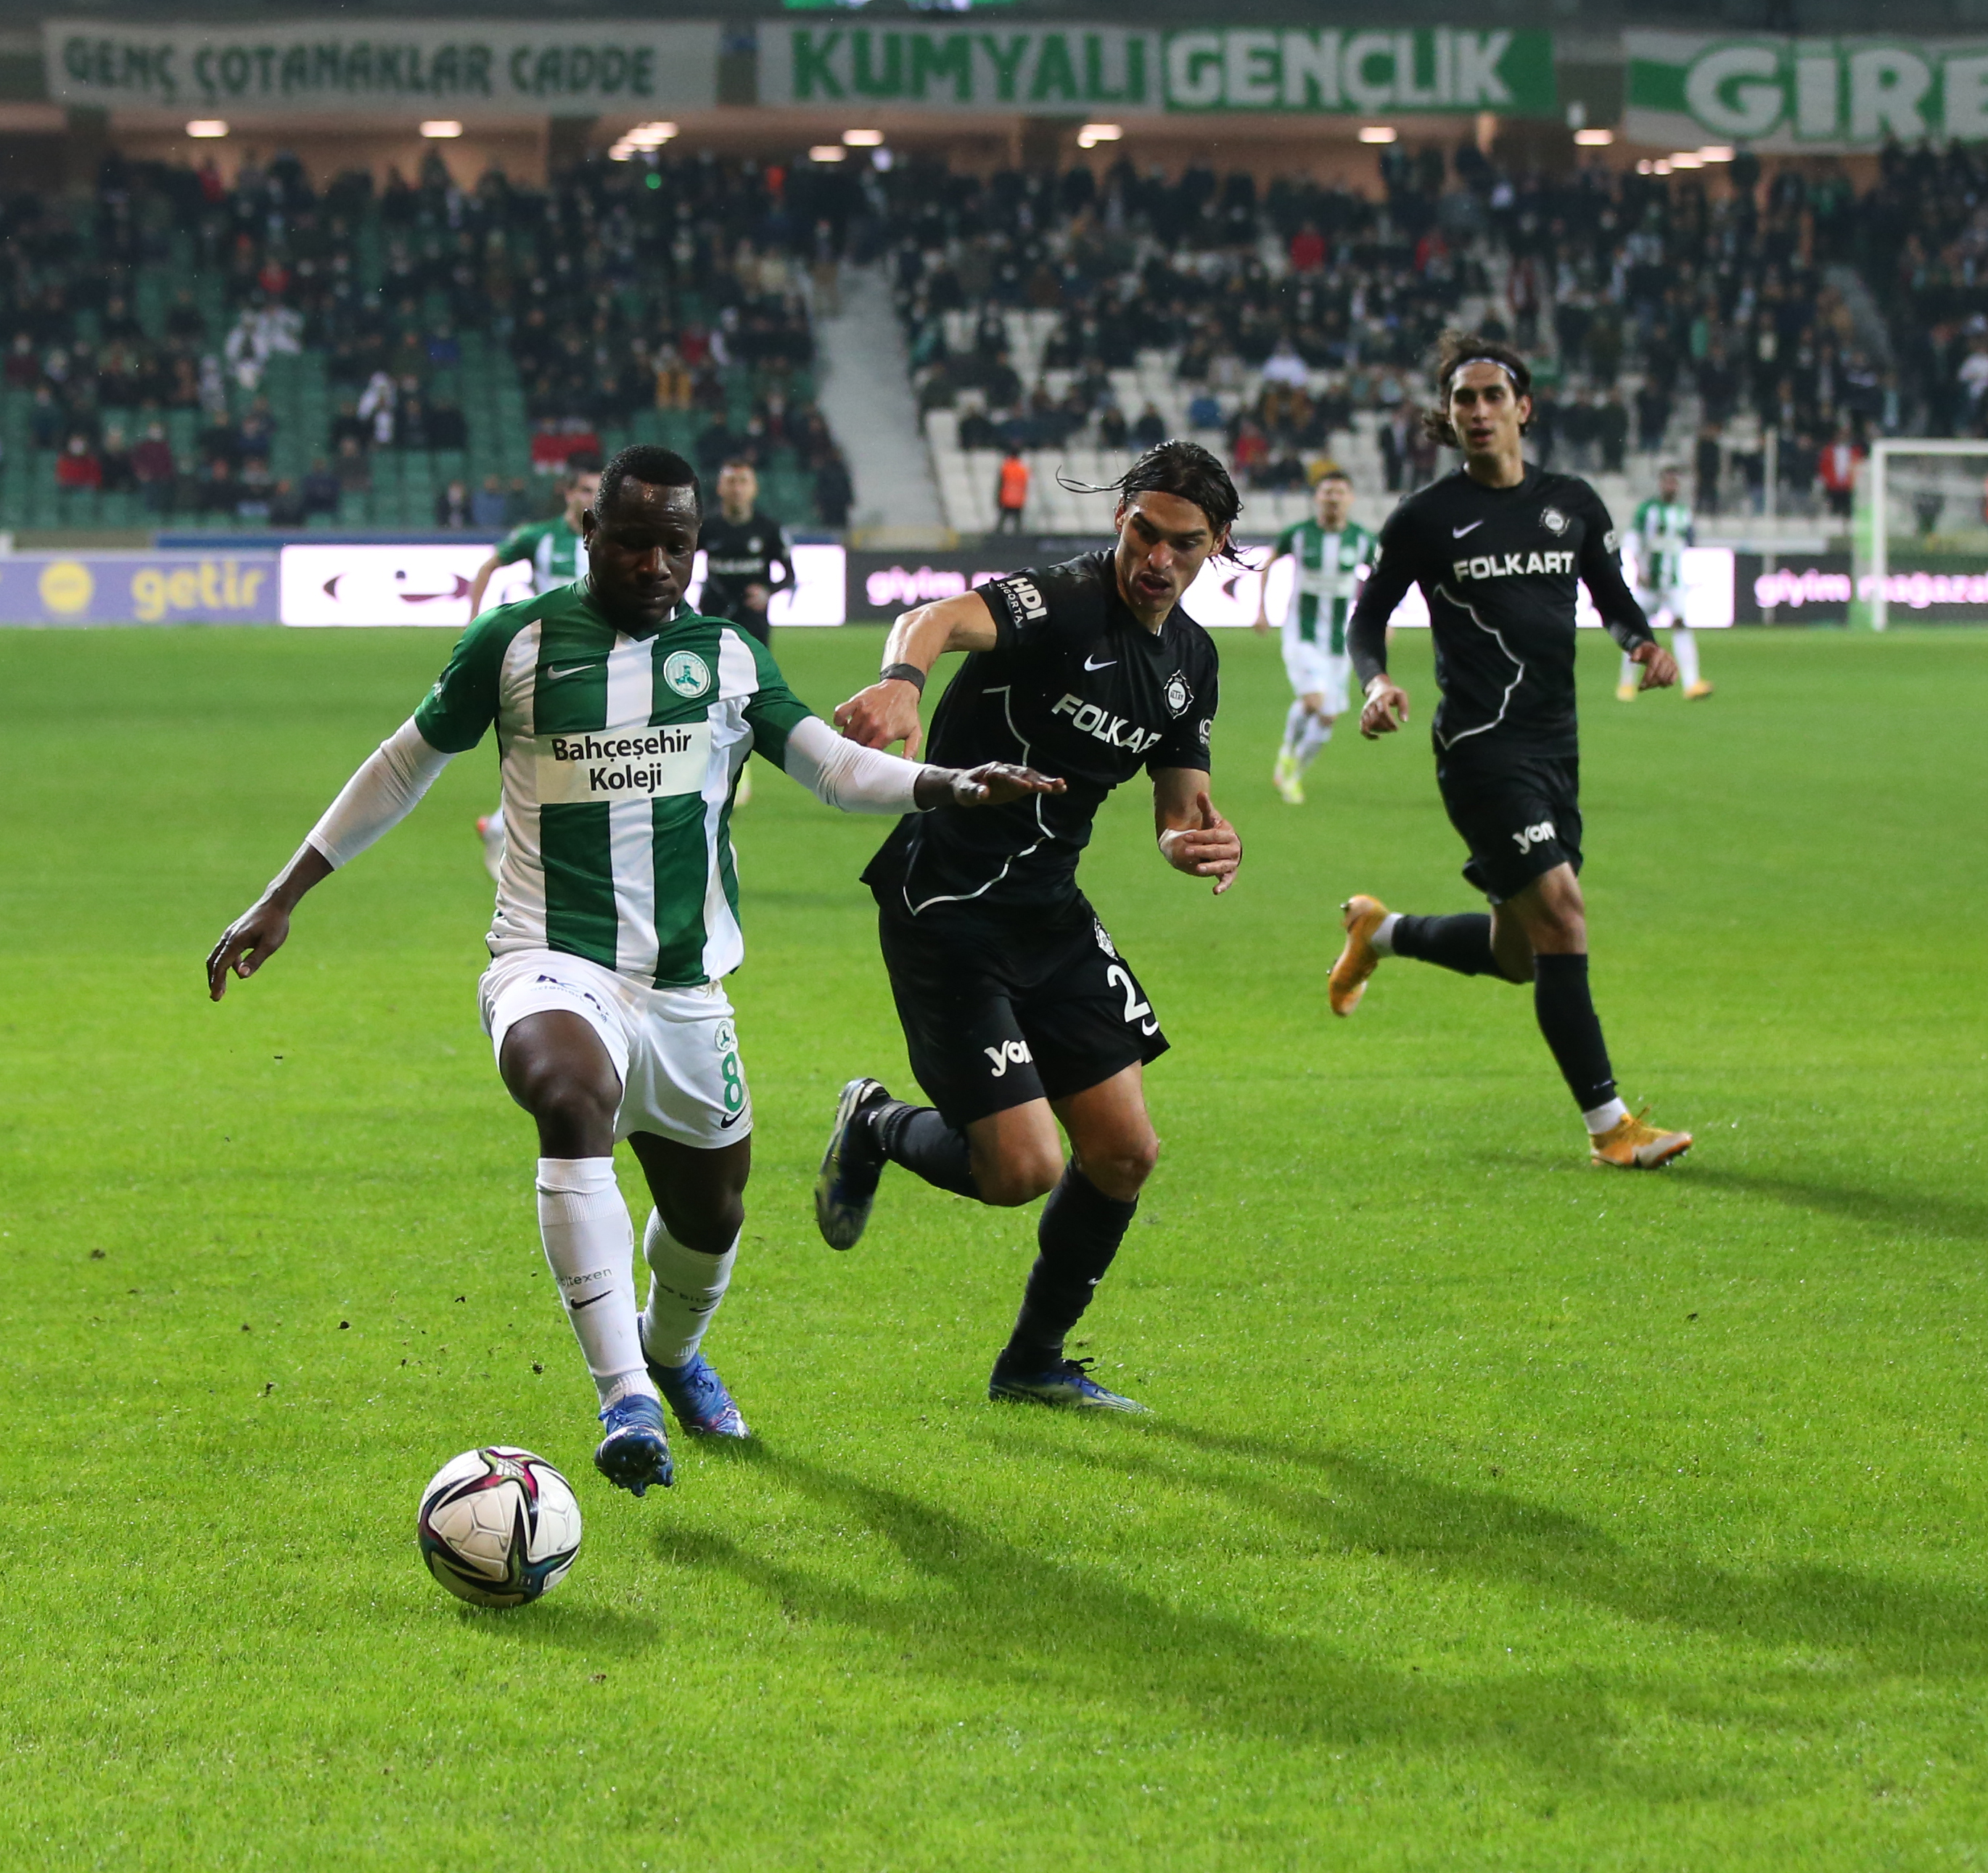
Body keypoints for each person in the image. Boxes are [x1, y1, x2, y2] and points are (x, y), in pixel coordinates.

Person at [206, 445, 1059, 1499]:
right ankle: (626, 1399)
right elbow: (400, 766)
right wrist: (283, 893)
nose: (656, 565)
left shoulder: (728, 657)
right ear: (590, 535)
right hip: (549, 959)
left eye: (676, 546)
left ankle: (669, 1350)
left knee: (710, 1218)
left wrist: (949, 783)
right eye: (634, 542)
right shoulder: (515, 642)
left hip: (686, 989)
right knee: (571, 1097)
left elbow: (833, 768)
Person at [813, 440, 1244, 1414]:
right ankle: (875, 1121)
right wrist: (901, 682)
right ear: (1120, 519)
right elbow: (931, 617)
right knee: (1022, 1168)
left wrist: (1194, 843)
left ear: (1215, 545)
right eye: (1143, 532)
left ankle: (1034, 1363)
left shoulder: (1192, 662)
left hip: (1050, 913)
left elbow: (1180, 806)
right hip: (948, 908)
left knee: (1125, 1151)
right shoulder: (1063, 600)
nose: (1157, 559)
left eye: (1183, 543)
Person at [1328, 332, 1693, 1172]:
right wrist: (1376, 682)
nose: (1479, 409)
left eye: (1493, 395)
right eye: (1464, 398)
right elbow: (1365, 617)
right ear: (1449, 415)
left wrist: (1641, 643)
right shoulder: (1425, 518)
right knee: (1563, 914)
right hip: (1480, 750)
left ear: (1522, 408)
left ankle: (1380, 932)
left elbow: (1613, 598)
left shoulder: (1572, 504)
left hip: (1555, 748)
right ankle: (1610, 1127)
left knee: (1519, 954)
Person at [467, 456, 602, 879]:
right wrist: (473, 622)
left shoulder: (610, 539)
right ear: (568, 492)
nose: (592, 498)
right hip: (551, 662)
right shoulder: (540, 537)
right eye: (585, 489)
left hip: (598, 658)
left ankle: (505, 825)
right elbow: (488, 566)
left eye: (599, 491)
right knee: (577, 749)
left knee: (571, 751)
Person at [1252, 468, 1377, 804]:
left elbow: (1380, 579)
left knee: (1328, 716)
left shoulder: (1362, 540)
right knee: (1313, 701)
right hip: (1302, 633)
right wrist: (1261, 609)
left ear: (1350, 499)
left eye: (1340, 492)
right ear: (1317, 498)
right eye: (1327, 492)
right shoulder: (1298, 534)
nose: (1333, 498)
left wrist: (1383, 619)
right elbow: (1268, 563)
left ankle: (1292, 773)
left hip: (1339, 639)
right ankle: (1287, 752)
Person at [1617, 464, 1713, 702]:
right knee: (1636, 631)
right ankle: (1626, 684)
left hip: (1674, 584)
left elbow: (1683, 545)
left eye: (1675, 482)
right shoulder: (1647, 510)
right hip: (1649, 584)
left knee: (1681, 625)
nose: (1671, 486)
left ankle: (1691, 684)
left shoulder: (1683, 513)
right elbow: (1633, 540)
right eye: (1668, 482)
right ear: (1661, 484)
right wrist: (1639, 569)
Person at [993, 446, 1030, 534]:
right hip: (1019, 500)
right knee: (1018, 526)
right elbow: (1025, 486)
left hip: (1006, 499)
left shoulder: (1006, 467)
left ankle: (997, 539)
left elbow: (1001, 484)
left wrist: (997, 498)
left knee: (1001, 524)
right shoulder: (1023, 469)